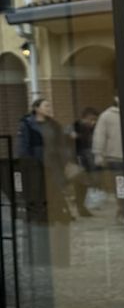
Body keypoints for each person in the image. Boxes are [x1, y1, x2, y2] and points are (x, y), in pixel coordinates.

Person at [16, 93, 69, 225]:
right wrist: (27, 161)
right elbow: (23, 145)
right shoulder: (27, 124)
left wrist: (64, 160)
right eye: (46, 106)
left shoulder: (54, 125)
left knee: (54, 189)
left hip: (53, 162)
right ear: (37, 108)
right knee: (37, 190)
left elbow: (61, 144)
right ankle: (39, 217)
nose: (48, 108)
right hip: (36, 162)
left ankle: (55, 215)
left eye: (49, 106)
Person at [91, 95, 124, 220]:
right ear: (116, 98)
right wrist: (98, 154)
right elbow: (99, 135)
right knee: (120, 186)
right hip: (115, 158)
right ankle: (123, 209)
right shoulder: (107, 116)